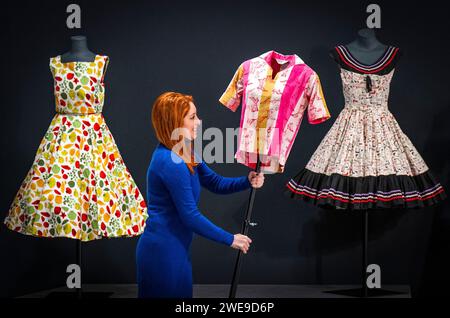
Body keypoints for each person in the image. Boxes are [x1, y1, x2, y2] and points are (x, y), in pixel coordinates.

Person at [136, 92, 264, 298]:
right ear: (175, 121)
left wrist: (246, 181)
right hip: (162, 254)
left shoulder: (185, 153)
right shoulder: (169, 161)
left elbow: (215, 182)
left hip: (177, 252)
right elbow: (190, 215)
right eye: (192, 117)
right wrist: (230, 239)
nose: (199, 122)